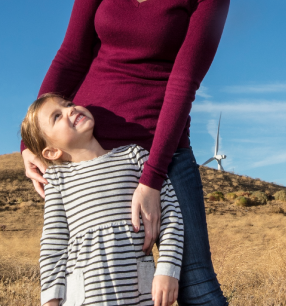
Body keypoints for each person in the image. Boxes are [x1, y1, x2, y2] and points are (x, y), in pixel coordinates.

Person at [21, 0, 231, 305]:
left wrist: (152, 179)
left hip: (159, 153)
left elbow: (182, 82)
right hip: (86, 157)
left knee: (195, 283)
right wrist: (32, 143)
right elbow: (72, 54)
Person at [21, 93, 183, 306]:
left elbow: (171, 213)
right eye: (57, 116)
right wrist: (50, 299)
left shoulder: (135, 156)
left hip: (139, 292)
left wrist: (168, 270)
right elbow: (53, 243)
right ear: (51, 152)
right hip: (85, 298)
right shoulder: (57, 179)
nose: (71, 109)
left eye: (68, 104)